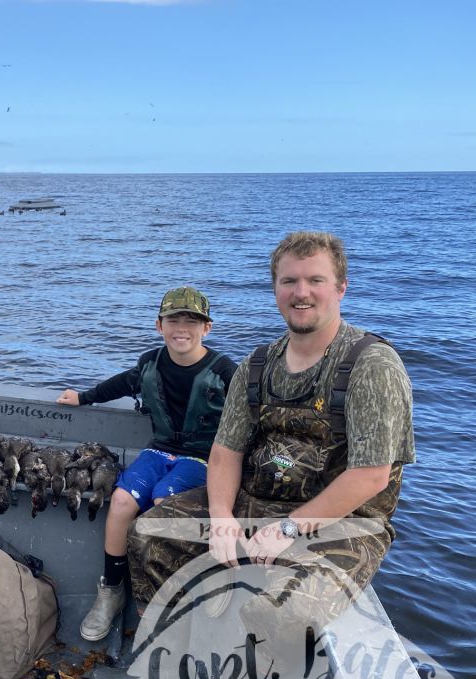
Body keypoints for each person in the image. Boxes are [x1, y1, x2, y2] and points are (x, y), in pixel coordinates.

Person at [126, 232, 415, 637]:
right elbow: (225, 452)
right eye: (289, 281)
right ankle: (176, 652)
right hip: (253, 503)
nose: (302, 293)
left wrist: (289, 528)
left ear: (340, 288)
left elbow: (371, 476)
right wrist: (223, 517)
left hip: (341, 524)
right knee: (147, 534)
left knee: (285, 613)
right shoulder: (258, 364)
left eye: (315, 280)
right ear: (275, 288)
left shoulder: (372, 365)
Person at [57, 287, 236, 641]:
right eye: (173, 320)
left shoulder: (226, 371)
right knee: (122, 500)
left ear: (207, 328)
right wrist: (84, 397)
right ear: (159, 326)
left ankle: (198, 584)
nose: (181, 328)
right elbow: (121, 384)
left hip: (203, 458)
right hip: (158, 451)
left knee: (162, 500)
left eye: (191, 321)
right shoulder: (149, 363)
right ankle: (111, 589)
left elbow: (252, 414)